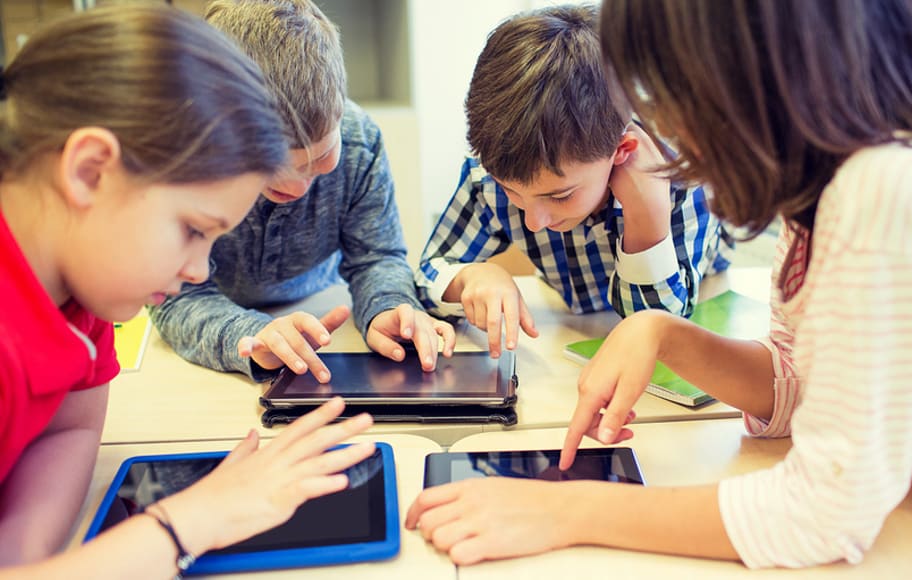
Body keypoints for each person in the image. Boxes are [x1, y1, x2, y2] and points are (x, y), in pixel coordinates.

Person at [406, 0, 912, 568]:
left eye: (671, 89)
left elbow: (826, 512)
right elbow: (795, 388)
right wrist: (664, 334)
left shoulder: (884, 194)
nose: (667, 128)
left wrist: (566, 508)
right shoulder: (828, 194)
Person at [0, 6, 375, 577]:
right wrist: (187, 522)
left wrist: (22, 558)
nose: (200, 270)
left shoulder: (85, 290)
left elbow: (71, 426)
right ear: (89, 171)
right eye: (193, 230)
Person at [149, 0, 455, 385]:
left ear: (340, 113)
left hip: (320, 308)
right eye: (272, 167)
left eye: (322, 156)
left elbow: (377, 257)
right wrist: (249, 334)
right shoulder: (186, 160)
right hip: (216, 328)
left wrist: (388, 306)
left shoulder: (360, 140)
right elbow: (177, 297)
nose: (296, 185)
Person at [415, 4, 730, 357]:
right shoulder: (488, 176)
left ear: (621, 150)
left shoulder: (680, 174)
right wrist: (468, 278)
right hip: (572, 332)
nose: (535, 222)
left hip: (708, 306)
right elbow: (427, 273)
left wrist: (648, 213)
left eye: (560, 196)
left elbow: (660, 328)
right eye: (511, 191)